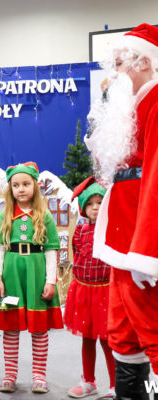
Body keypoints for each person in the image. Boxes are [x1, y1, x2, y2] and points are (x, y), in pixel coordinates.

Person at [85, 23, 158, 400]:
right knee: (124, 332)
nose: (113, 75)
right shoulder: (133, 106)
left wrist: (148, 254)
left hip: (140, 245)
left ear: (143, 62)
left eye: (118, 65)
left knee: (153, 330)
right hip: (122, 238)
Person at [0, 162, 62, 394]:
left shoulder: (44, 216)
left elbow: (51, 251)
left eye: (26, 184)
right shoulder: (5, 215)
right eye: (16, 185)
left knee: (39, 328)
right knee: (11, 326)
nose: (21, 189)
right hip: (11, 276)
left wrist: (50, 281)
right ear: (10, 188)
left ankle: (39, 375)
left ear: (35, 186)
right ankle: (9, 374)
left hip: (36, 275)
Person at [65, 177, 115, 399]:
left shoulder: (111, 229)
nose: (95, 207)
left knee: (108, 340)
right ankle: (88, 381)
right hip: (84, 291)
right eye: (90, 204)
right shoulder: (79, 231)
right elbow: (77, 256)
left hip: (106, 291)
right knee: (87, 338)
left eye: (100, 202)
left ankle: (116, 384)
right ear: (83, 208)